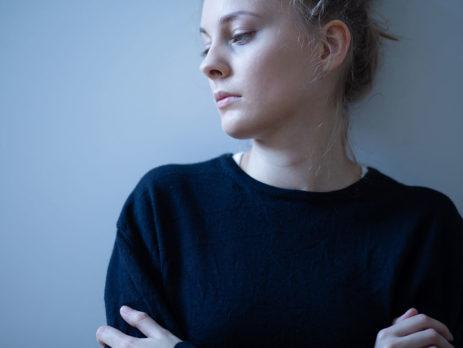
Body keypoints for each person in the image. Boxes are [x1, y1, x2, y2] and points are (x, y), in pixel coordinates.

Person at [96, 0, 463, 347]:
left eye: (239, 35)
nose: (209, 64)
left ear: (327, 46)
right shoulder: (164, 208)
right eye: (205, 45)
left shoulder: (424, 229)